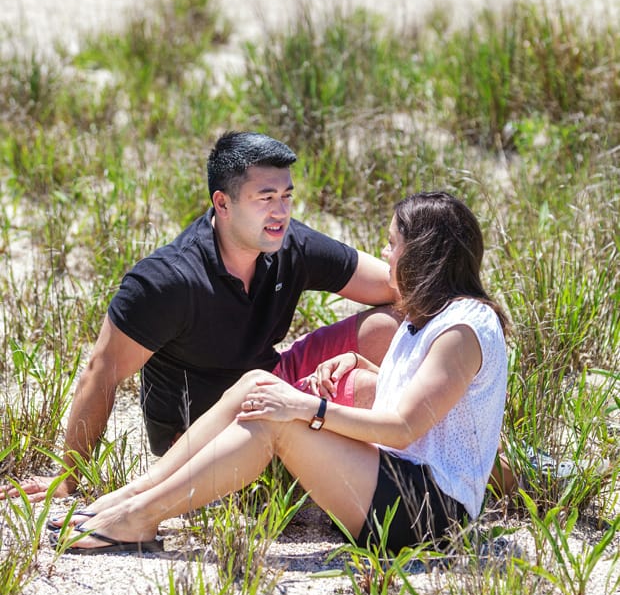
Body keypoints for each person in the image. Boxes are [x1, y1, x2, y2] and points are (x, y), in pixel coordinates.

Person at [50, 191, 509, 555]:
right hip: (399, 482)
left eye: (392, 244)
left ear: (421, 254)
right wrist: (357, 364)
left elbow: (405, 426)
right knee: (256, 384)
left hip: (429, 514)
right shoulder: (428, 315)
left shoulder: (463, 327)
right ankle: (131, 497)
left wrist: (307, 407)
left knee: (276, 417)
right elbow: (418, 403)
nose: (386, 255)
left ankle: (142, 517)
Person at [4, 131, 398, 503]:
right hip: (202, 434)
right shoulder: (168, 281)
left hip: (270, 385)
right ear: (222, 203)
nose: (280, 212)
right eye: (265, 198)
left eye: (286, 196)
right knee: (359, 389)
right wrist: (70, 477)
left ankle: (418, 457)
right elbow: (101, 371)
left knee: (390, 324)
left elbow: (394, 286)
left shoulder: (288, 242)